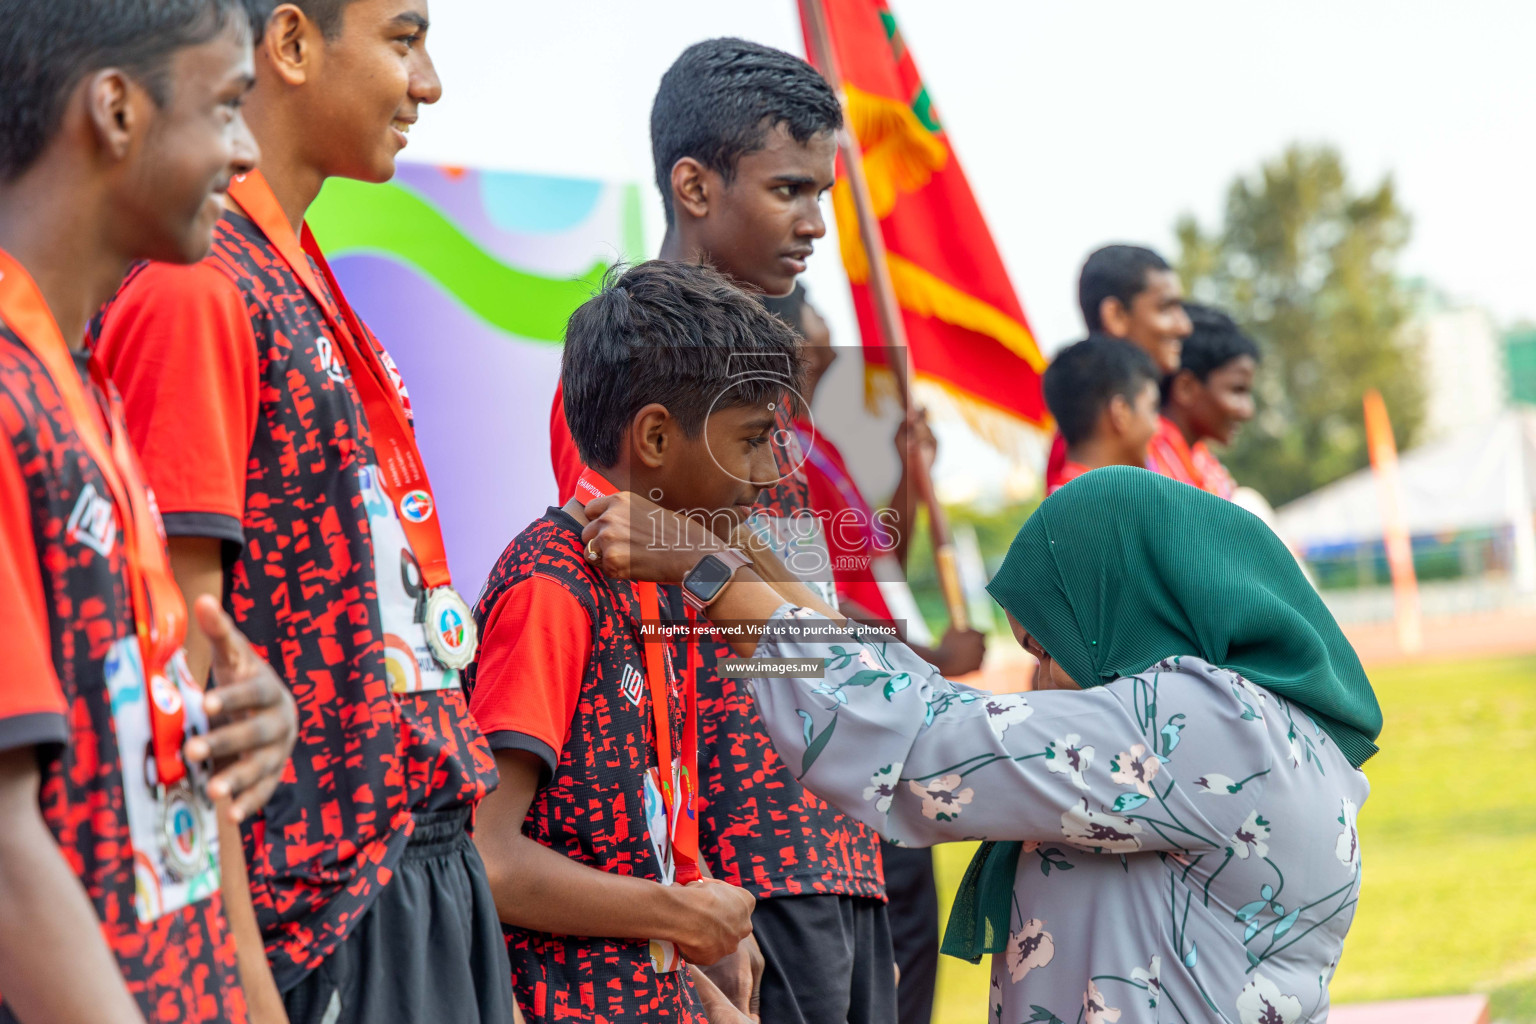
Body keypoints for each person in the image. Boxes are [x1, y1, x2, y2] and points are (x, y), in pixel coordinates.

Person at [580, 467, 1381, 1024]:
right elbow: (923, 705)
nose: (1038, 680)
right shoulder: (1267, 730)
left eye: (1046, 646)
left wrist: (711, 575)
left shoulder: (1204, 727)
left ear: (1123, 612)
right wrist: (750, 562)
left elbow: (926, 745)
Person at [91, 3, 514, 1022]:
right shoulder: (197, 289)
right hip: (320, 913)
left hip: (417, 880)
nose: (429, 85)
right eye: (404, 41)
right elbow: (185, 681)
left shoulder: (294, 277)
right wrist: (238, 980)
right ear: (288, 44)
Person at [549, 39, 899, 1024]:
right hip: (746, 874)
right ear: (694, 186)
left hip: (832, 847)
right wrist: (687, 911)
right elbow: (633, 644)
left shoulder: (761, 385)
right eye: (790, 188)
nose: (816, 224)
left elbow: (797, 628)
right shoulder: (639, 371)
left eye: (823, 193)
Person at [0, 2, 300, 1021]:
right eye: (224, 107)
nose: (246, 146)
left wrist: (210, 721)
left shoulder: (81, 387)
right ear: (117, 110)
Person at [466, 261, 782, 1023]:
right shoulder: (551, 587)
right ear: (654, 436)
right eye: (750, 441)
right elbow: (490, 857)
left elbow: (624, 848)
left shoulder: (659, 583)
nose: (768, 473)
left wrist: (696, 985)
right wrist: (679, 916)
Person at [768, 285, 986, 1024]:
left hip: (884, 700)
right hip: (850, 712)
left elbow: (877, 554)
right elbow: (813, 599)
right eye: (815, 343)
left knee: (909, 931)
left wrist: (907, 473)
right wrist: (932, 653)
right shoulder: (774, 453)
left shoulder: (815, 444)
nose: (829, 353)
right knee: (894, 935)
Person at [1045, 244, 1192, 493]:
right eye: (1166, 308)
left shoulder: (1162, 432)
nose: (1185, 326)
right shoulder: (1087, 442)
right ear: (1116, 316)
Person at [1150, 302, 1260, 499]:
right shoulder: (1145, 461)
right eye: (1237, 390)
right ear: (1186, 387)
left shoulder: (1204, 463)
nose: (1247, 410)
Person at [1041, 335, 1163, 493]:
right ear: (1121, 413)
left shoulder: (1066, 501)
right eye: (1152, 408)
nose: (1158, 427)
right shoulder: (1103, 506)